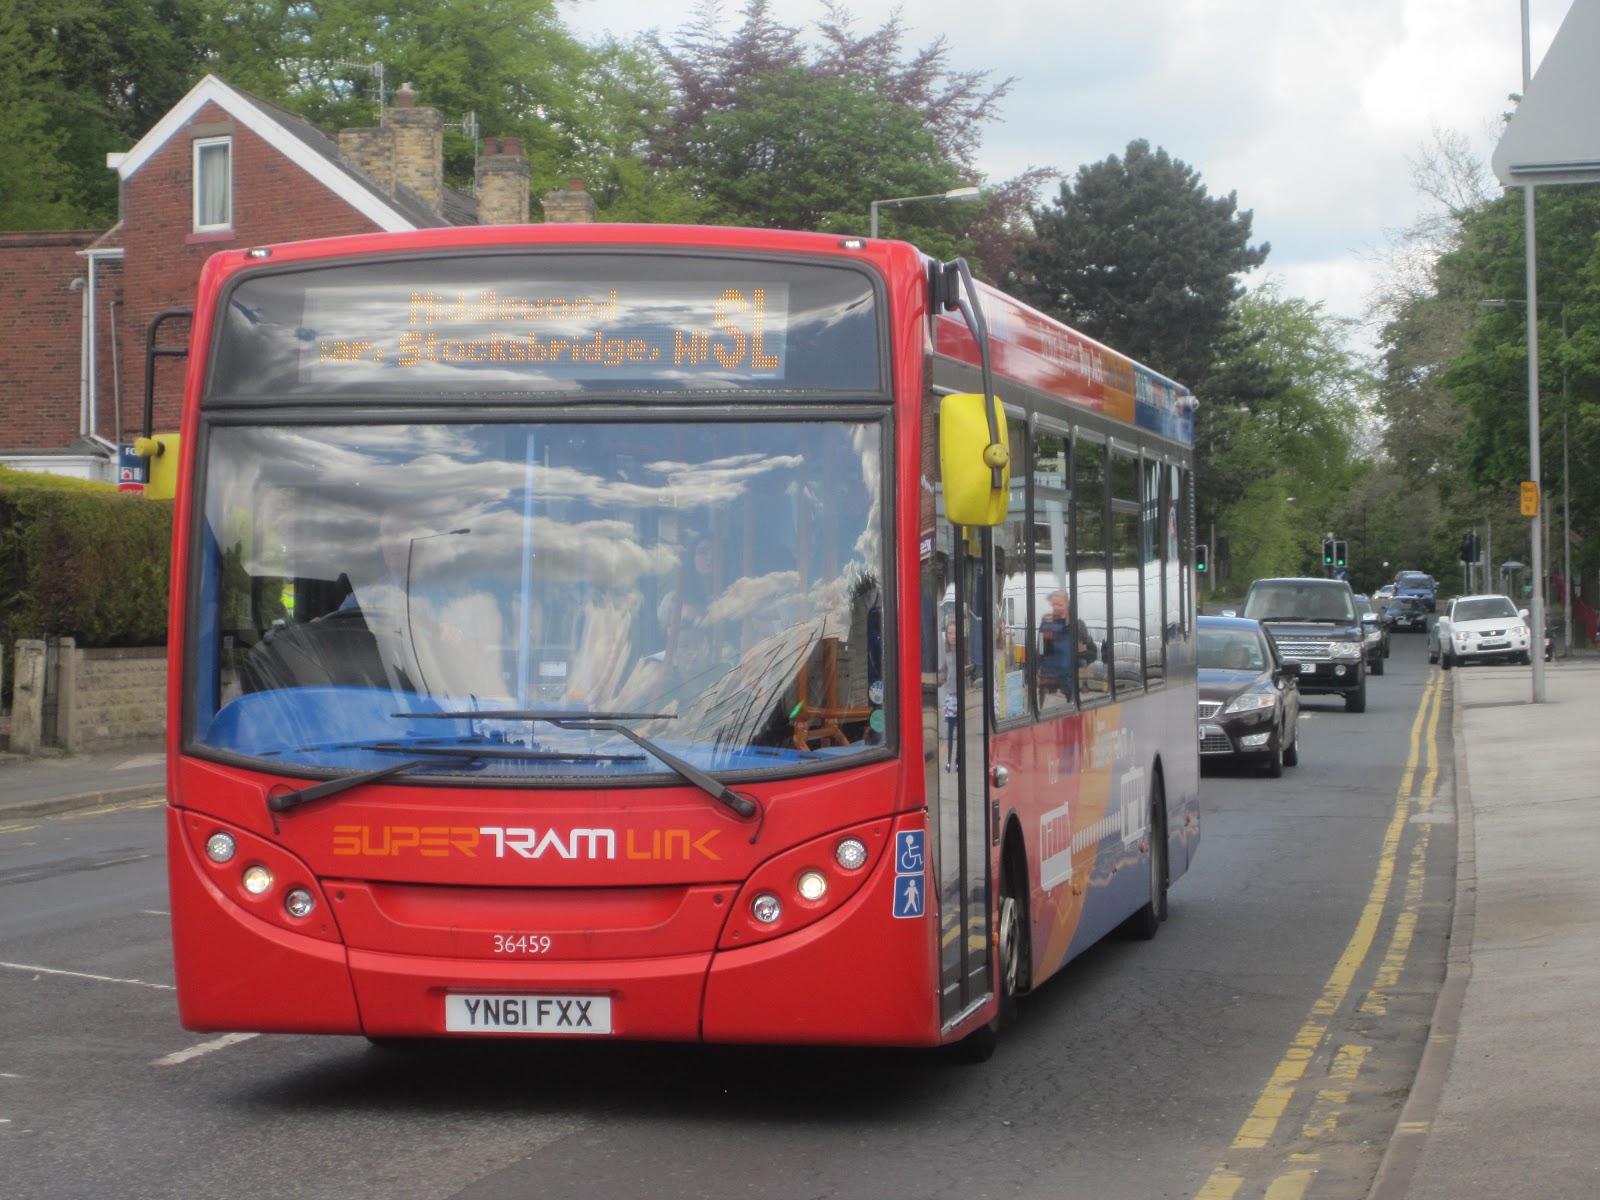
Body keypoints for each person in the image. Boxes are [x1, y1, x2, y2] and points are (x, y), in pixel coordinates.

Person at [1038, 590, 1094, 698]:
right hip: (1052, 686)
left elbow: (1092, 653)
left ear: (1067, 604)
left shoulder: (1079, 626)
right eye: (1054, 604)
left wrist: (1077, 659)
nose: (1057, 608)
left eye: (1060, 604)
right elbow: (1041, 653)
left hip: (1072, 686)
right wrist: (1028, 679)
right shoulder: (1047, 626)